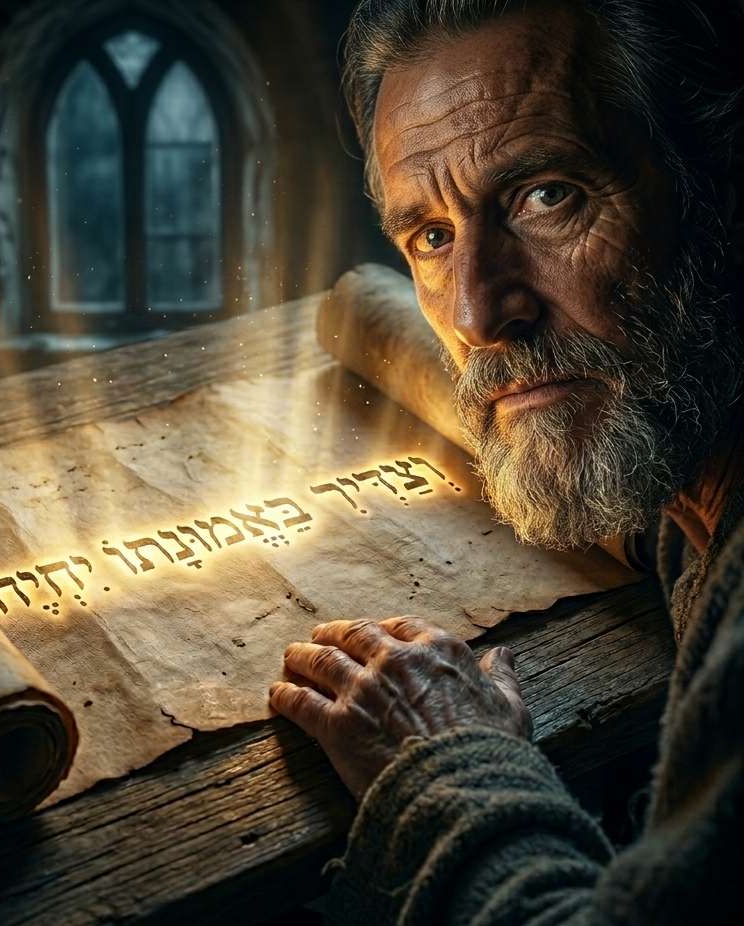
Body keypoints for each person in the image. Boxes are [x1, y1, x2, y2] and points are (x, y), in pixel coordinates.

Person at [268, 1, 744, 922]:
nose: (479, 316)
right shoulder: (697, 450)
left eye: (547, 195)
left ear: (720, 175)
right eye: (433, 239)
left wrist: (448, 763)